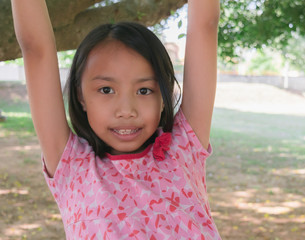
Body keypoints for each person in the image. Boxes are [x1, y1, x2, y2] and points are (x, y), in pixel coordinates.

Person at [11, 0, 220, 239]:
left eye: (144, 90)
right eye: (106, 90)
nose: (126, 110)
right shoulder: (71, 164)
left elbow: (205, 26)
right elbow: (35, 50)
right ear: (80, 96)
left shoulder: (183, 147)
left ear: (163, 95)